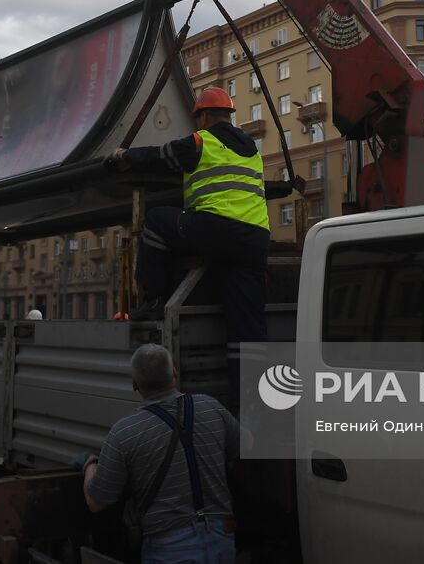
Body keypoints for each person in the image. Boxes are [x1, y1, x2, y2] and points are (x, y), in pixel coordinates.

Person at [108, 87, 299, 346]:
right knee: (247, 328)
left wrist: (124, 155)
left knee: (154, 222)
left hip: (217, 229)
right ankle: (249, 384)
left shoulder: (200, 141)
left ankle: (151, 300)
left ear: (204, 117)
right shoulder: (252, 150)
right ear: (228, 116)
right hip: (254, 241)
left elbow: (159, 155)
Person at [81, 344, 239, 564]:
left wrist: (90, 464)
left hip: (168, 549)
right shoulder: (212, 407)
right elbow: (243, 446)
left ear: (134, 384)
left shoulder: (124, 433)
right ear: (174, 372)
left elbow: (96, 501)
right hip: (221, 538)